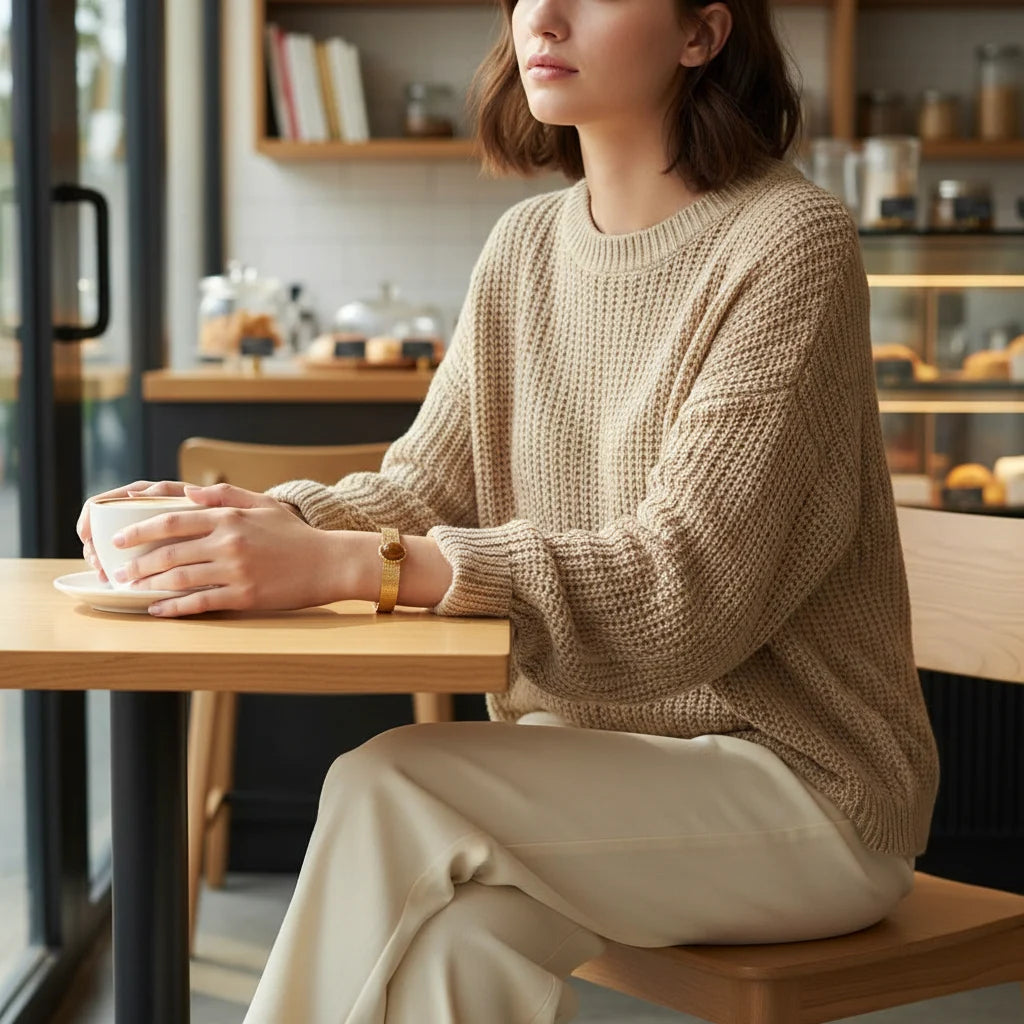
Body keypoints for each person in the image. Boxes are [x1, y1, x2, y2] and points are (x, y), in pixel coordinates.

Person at [78, 0, 940, 1020]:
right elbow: (421, 488)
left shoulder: (788, 239)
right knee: (456, 951)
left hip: (808, 793)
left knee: (392, 782)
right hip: (593, 783)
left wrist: (363, 568)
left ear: (701, 33)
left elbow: (687, 585)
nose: (545, 15)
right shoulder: (525, 246)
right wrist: (241, 520)